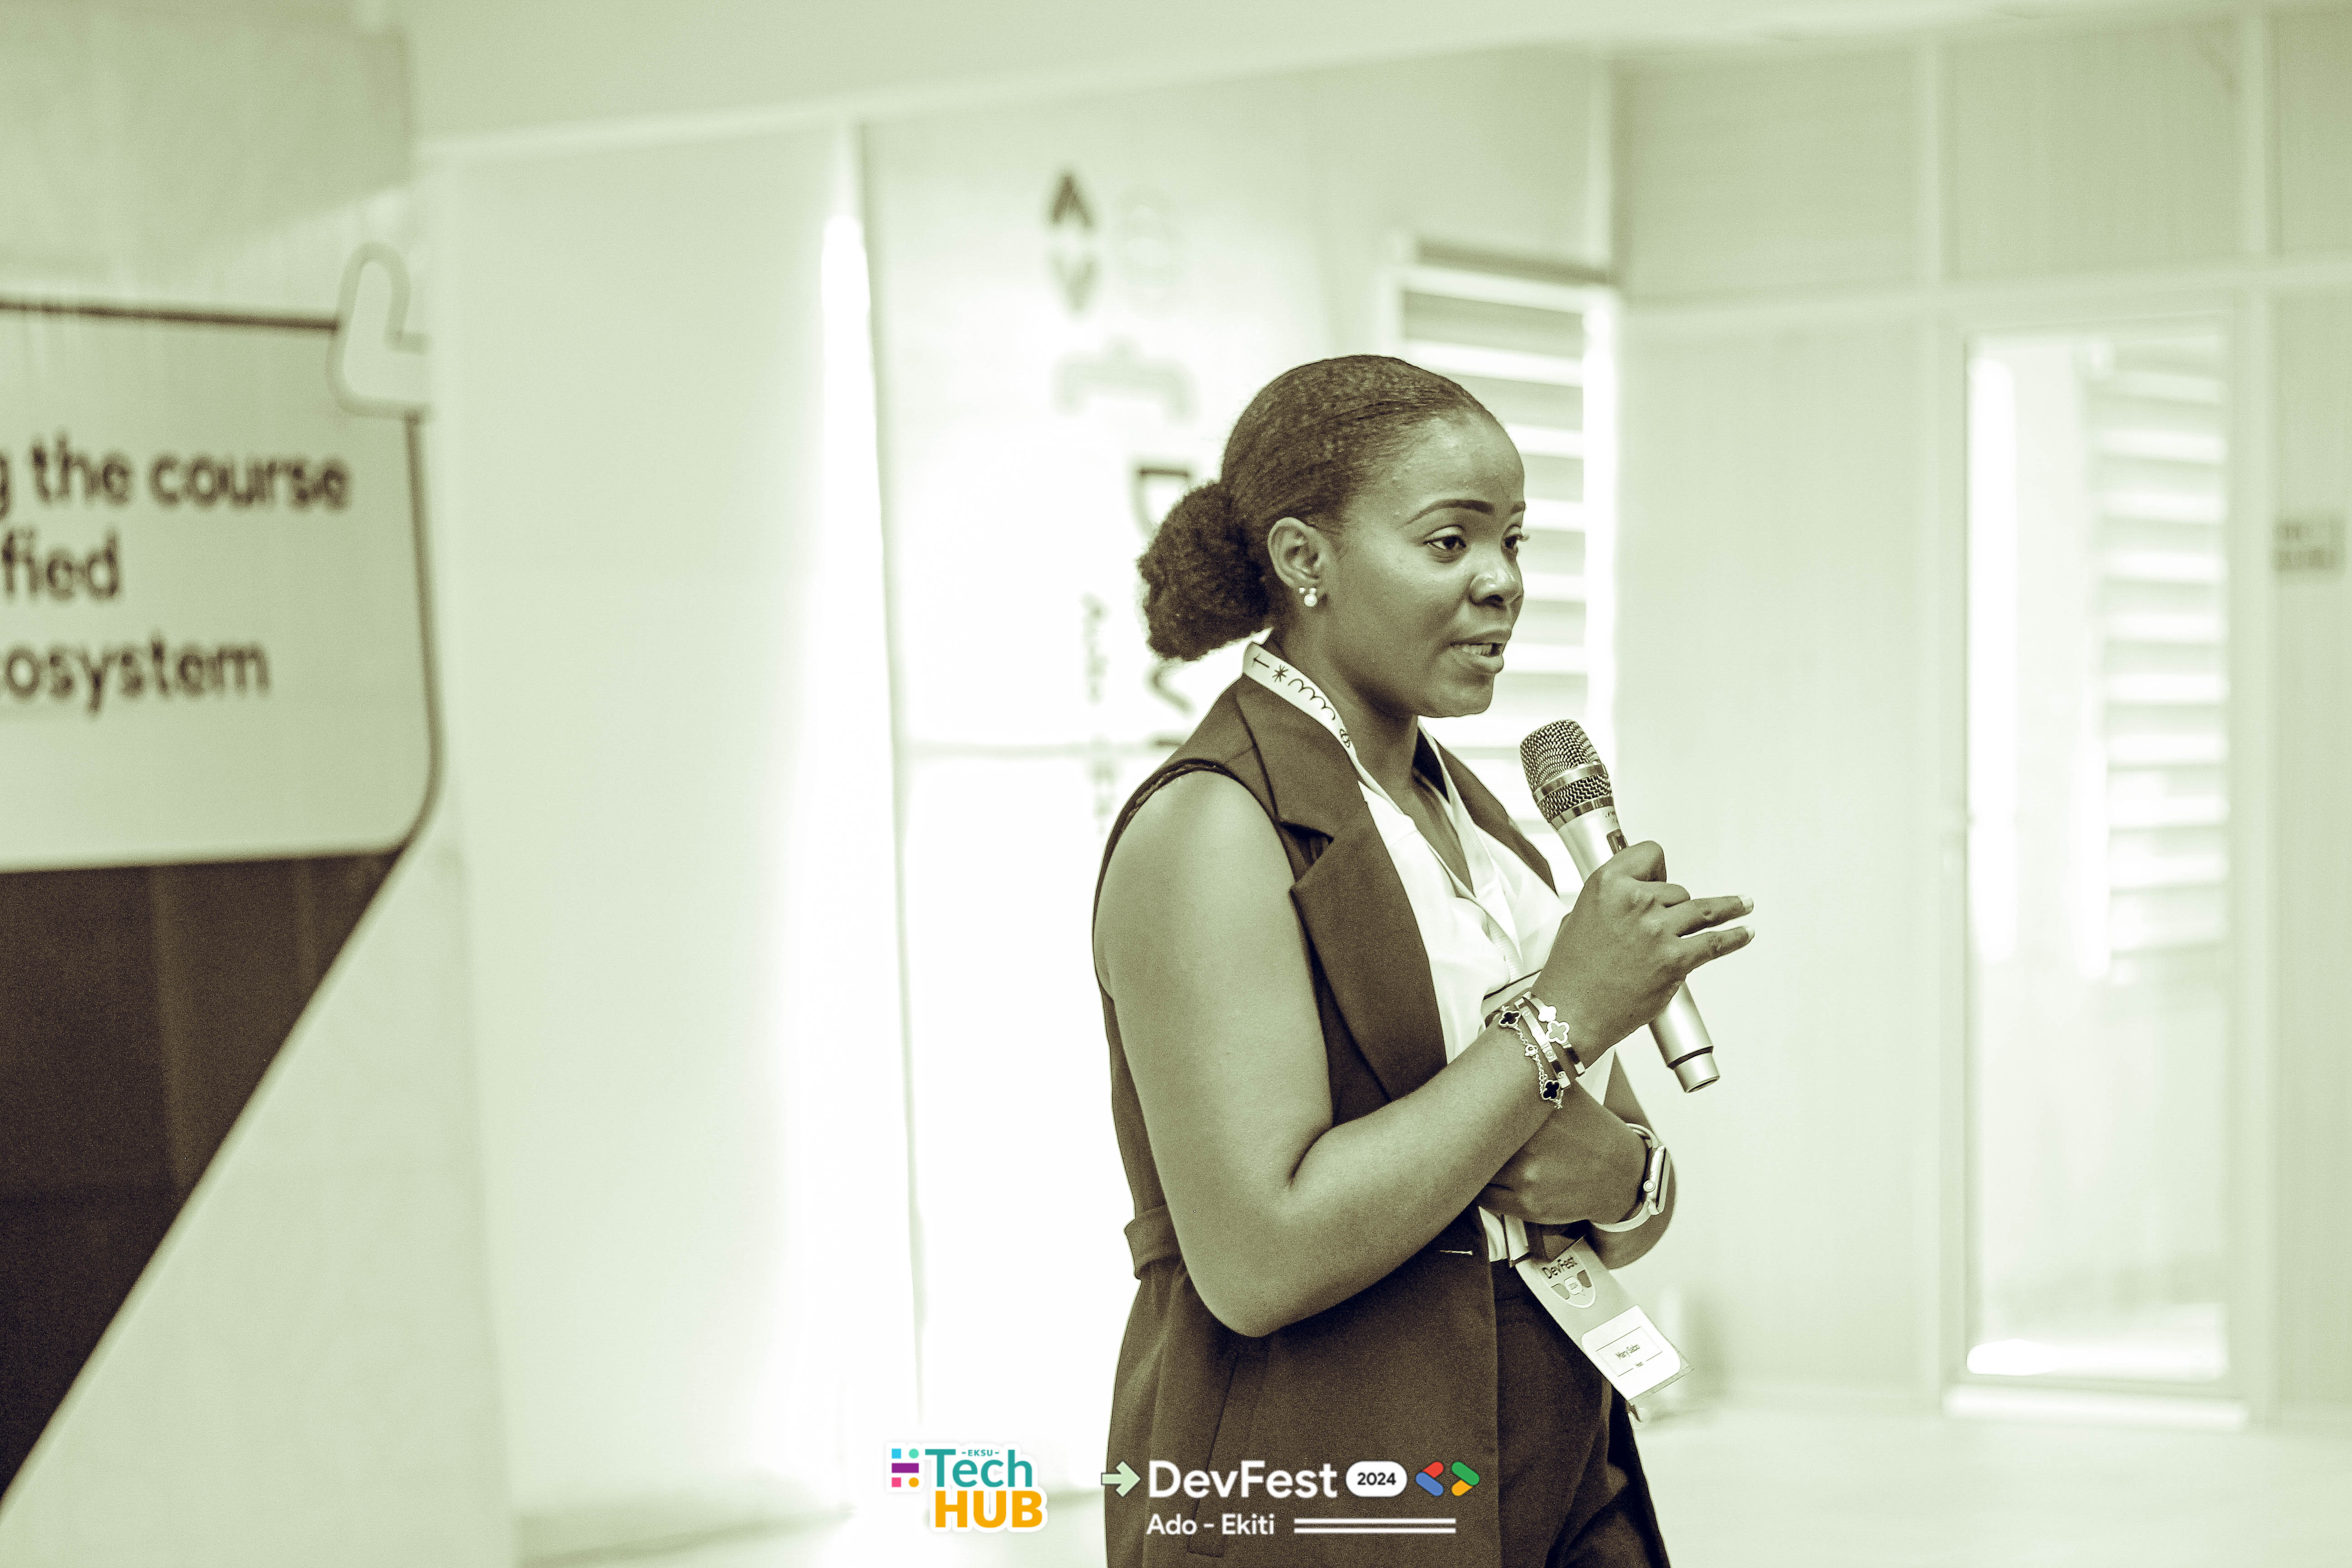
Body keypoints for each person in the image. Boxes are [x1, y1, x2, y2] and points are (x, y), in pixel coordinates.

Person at [1090, 356, 1756, 1568]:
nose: (1502, 582)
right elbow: (1257, 1261)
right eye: (1450, 542)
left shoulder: (1473, 814)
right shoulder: (1210, 830)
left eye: (1514, 541)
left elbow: (1610, 1175)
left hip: (1561, 1450)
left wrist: (1625, 1180)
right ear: (1306, 560)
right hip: (1327, 1477)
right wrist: (1560, 1018)